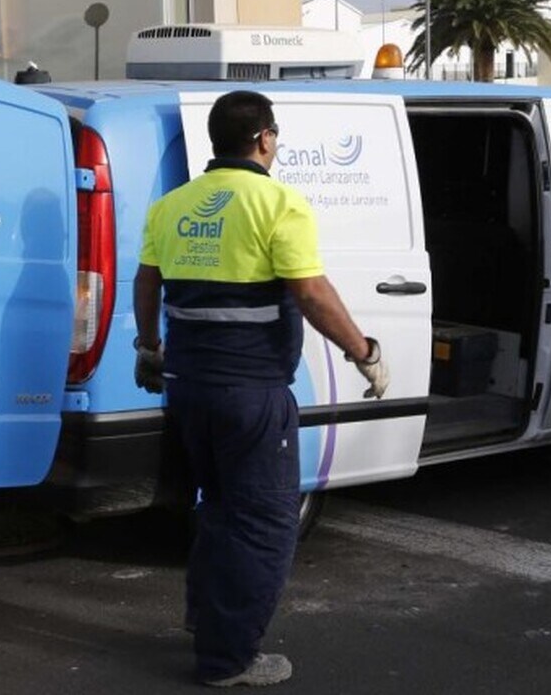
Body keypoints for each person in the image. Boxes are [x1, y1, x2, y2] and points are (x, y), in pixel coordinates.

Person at [132, 90, 388, 687]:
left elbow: (147, 284)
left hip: (189, 386)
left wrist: (149, 349)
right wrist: (364, 352)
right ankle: (228, 659)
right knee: (266, 523)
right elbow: (312, 293)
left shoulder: (172, 206)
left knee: (219, 510)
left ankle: (207, 622)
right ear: (265, 138)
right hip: (250, 393)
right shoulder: (278, 204)